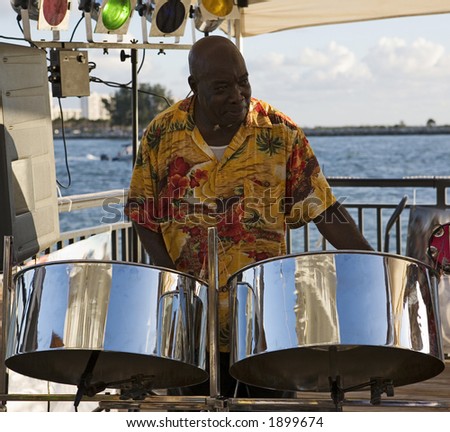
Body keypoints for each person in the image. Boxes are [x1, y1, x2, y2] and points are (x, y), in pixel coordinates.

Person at [125, 35, 372, 398]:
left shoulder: (278, 131)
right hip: (194, 320)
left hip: (263, 320)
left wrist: (372, 265)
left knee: (270, 412)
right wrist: (174, 282)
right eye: (222, 87)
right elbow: (142, 214)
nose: (237, 95)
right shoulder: (162, 135)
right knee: (195, 412)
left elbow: (322, 207)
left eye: (243, 82)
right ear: (195, 86)